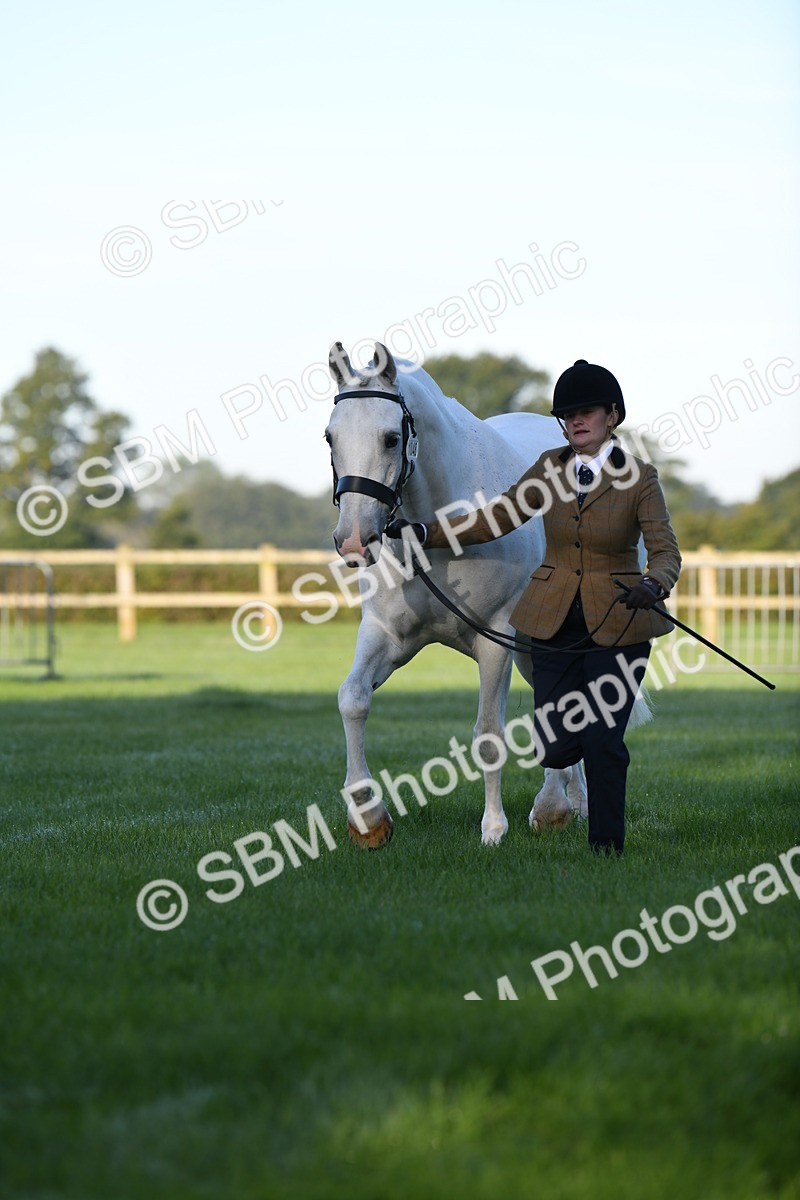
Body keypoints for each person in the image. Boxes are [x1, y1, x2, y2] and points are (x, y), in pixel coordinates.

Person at [387, 358, 682, 856]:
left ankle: (606, 847)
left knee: (604, 741)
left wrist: (655, 583)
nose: (575, 422)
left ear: (613, 415)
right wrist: (427, 533)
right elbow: (497, 517)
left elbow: (665, 548)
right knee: (557, 740)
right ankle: (564, 771)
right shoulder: (550, 469)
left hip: (620, 620)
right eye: (567, 414)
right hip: (552, 617)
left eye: (586, 411)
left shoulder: (641, 480)